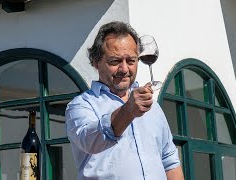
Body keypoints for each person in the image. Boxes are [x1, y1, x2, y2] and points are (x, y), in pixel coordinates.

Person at [65, 21, 184, 180]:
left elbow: (169, 160)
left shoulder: (153, 107)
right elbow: (90, 141)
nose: (124, 69)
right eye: (115, 61)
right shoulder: (81, 105)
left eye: (131, 61)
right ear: (95, 62)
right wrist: (128, 111)